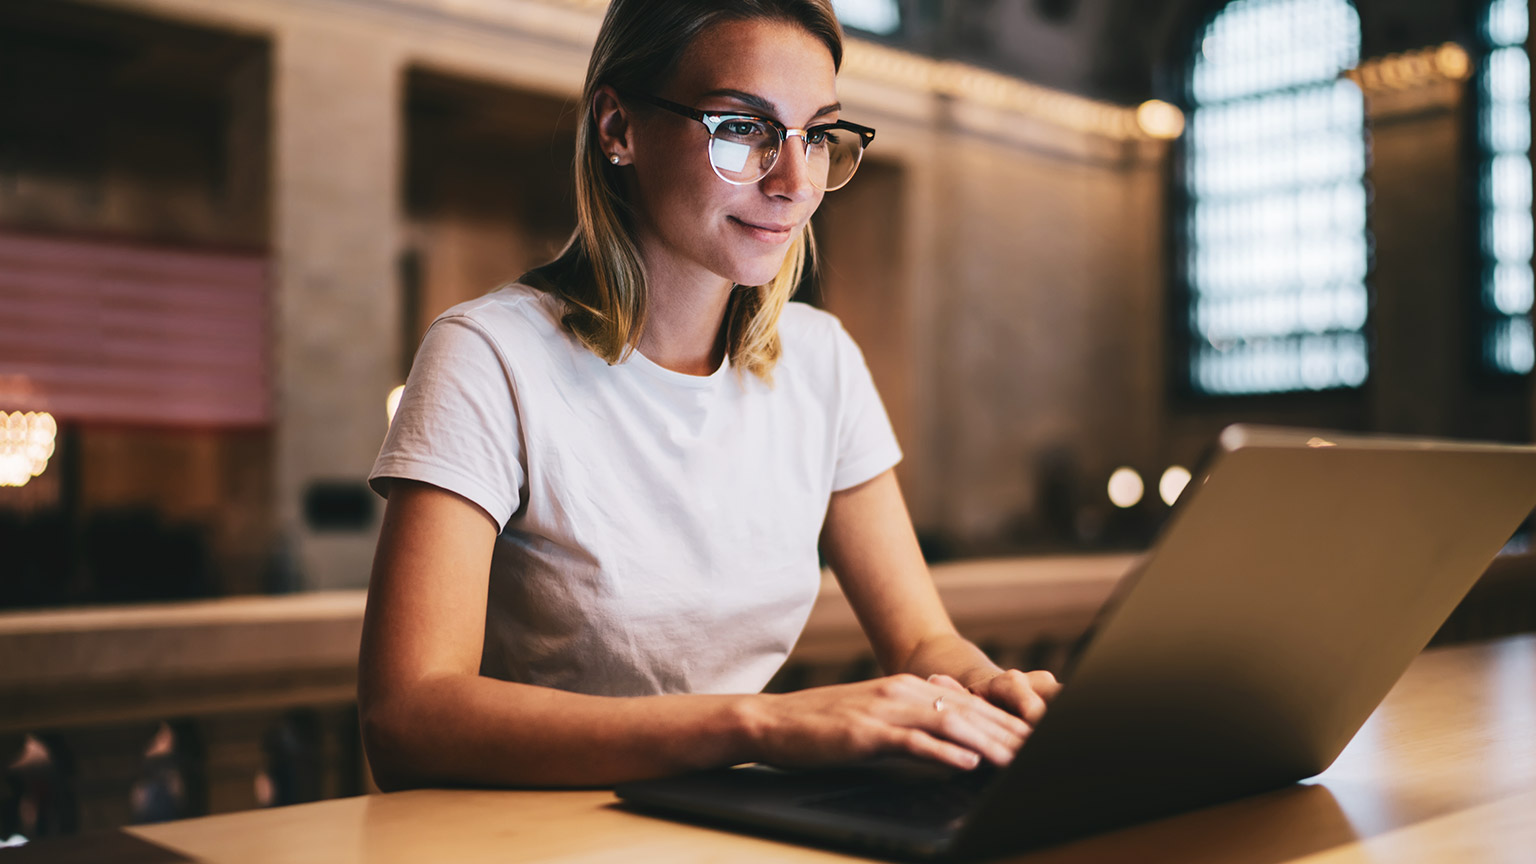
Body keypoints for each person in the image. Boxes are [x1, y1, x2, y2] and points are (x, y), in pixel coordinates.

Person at [358, 0, 1060, 791]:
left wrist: (991, 694)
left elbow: (925, 643)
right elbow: (407, 719)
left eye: (818, 135)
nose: (795, 183)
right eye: (742, 128)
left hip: (714, 826)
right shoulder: (488, 356)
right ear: (618, 127)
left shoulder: (821, 360)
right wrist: (759, 723)